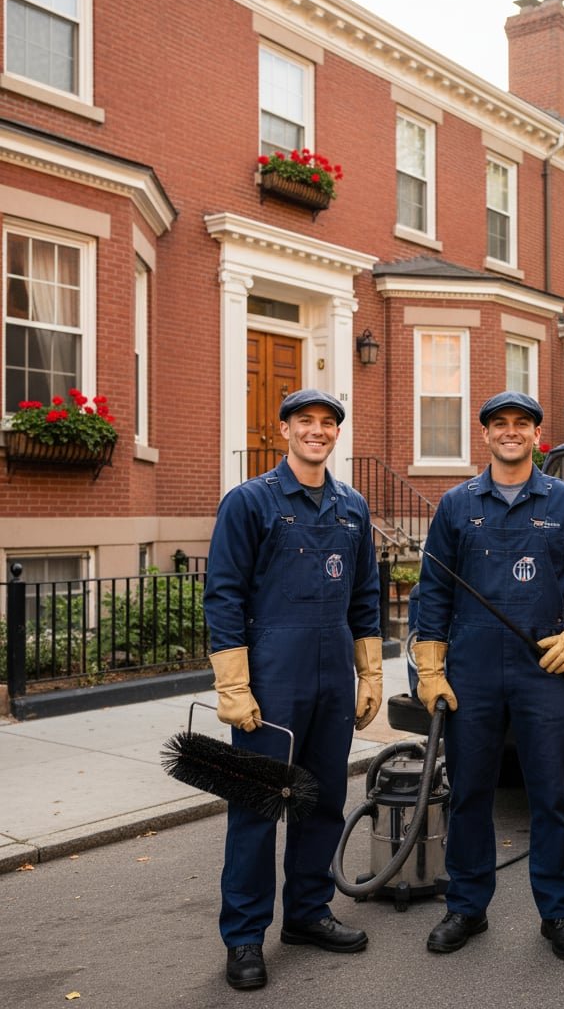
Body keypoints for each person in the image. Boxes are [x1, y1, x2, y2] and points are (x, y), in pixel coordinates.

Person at [414, 391, 564, 961]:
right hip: (472, 671)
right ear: (485, 434)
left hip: (543, 671)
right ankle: (466, 907)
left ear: (537, 435)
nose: (510, 432)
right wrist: (430, 668)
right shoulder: (457, 505)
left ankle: (558, 914)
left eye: (522, 424)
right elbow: (432, 589)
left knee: (552, 796)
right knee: (470, 794)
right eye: (499, 424)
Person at [203, 388, 382, 991]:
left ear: (336, 434)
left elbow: (365, 597)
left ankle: (307, 914)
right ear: (283, 430)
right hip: (271, 679)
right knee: (257, 806)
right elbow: (223, 595)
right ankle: (245, 937)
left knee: (321, 801)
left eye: (327, 423)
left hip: (333, 678)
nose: (317, 431)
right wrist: (233, 683)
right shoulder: (249, 502)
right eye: (305, 421)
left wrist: (370, 673)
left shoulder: (352, 507)